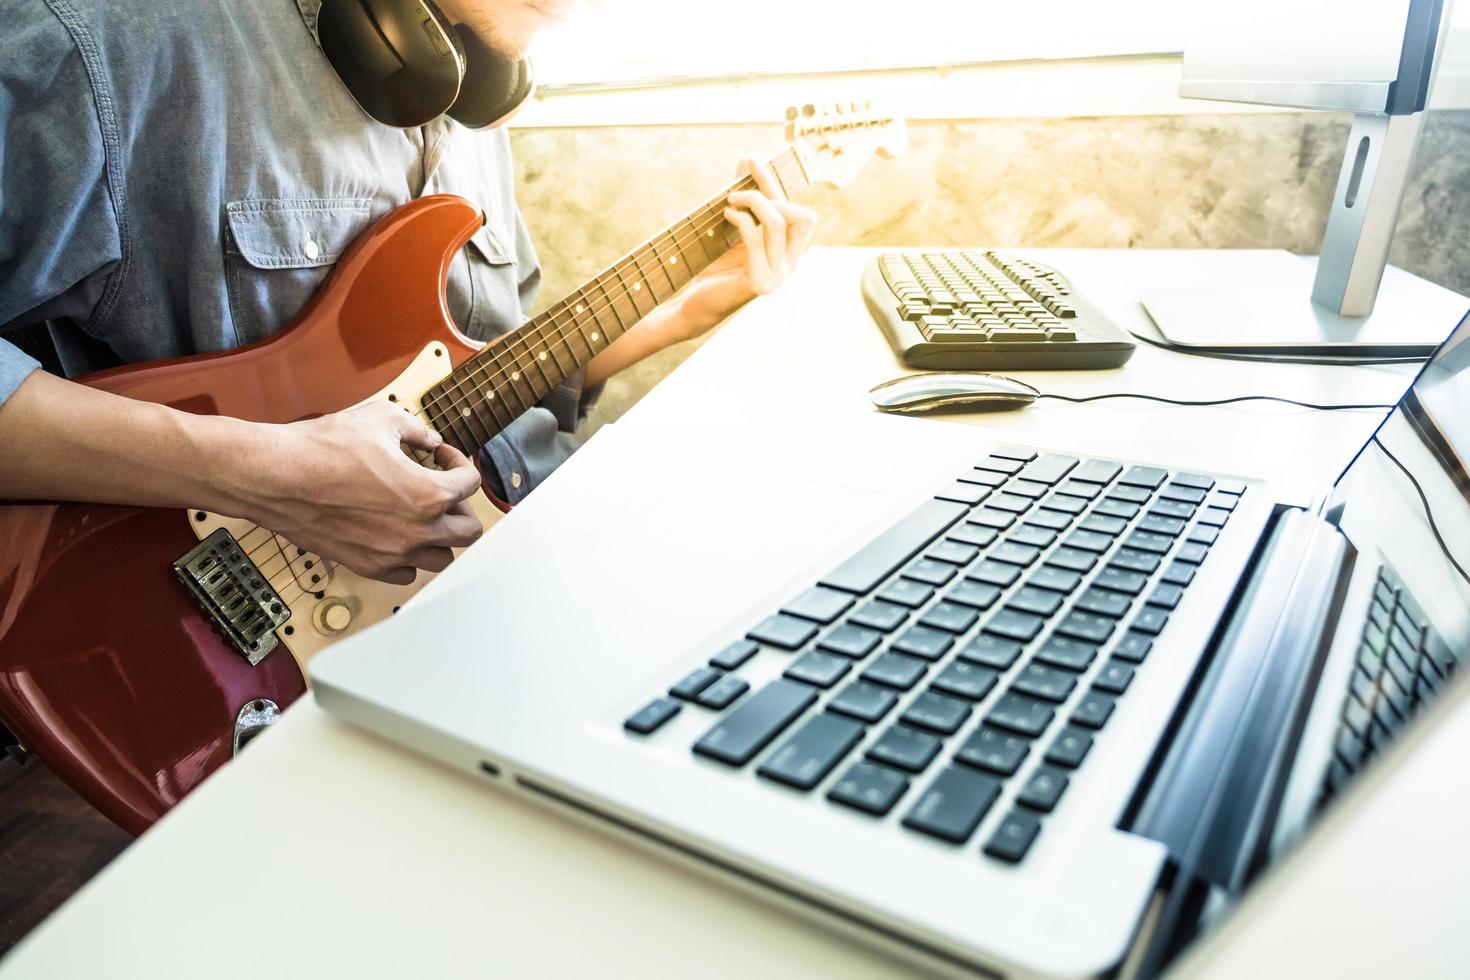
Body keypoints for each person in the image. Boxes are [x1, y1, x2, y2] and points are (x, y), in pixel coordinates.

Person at [0, 0, 816, 586]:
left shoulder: (480, 83)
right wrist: (262, 475)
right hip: (243, 650)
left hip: (519, 561)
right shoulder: (97, 42)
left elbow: (470, 375)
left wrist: (682, 311)